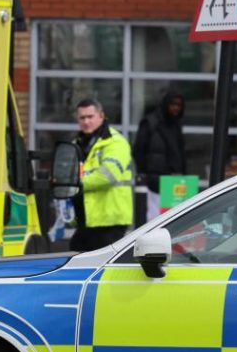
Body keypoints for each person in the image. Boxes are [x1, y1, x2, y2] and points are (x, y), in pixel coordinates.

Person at [69, 98, 133, 253]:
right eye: (82, 118)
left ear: (101, 116)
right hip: (88, 219)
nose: (86, 121)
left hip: (109, 220)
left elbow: (108, 176)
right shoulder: (77, 143)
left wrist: (76, 182)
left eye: (90, 117)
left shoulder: (115, 142)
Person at [133, 90, 186, 220]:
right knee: (154, 220)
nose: (175, 108)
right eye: (172, 104)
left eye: (179, 105)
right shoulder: (150, 123)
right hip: (154, 182)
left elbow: (180, 154)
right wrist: (145, 174)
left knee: (174, 221)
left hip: (174, 182)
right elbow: (138, 150)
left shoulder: (176, 125)